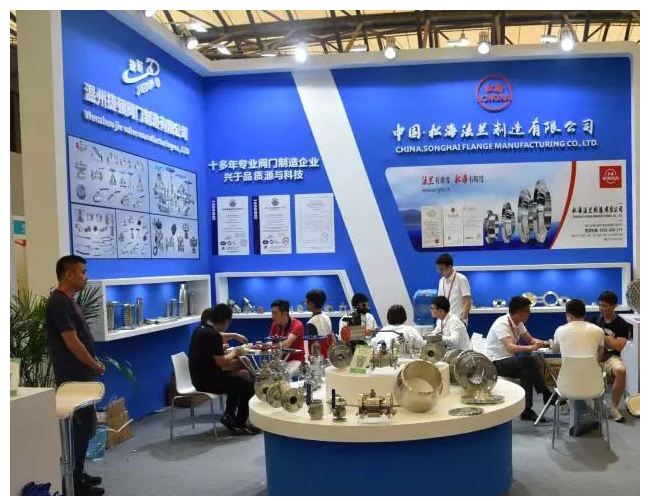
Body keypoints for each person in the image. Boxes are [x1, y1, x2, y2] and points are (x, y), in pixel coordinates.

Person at [45, 255, 105, 495]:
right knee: (80, 427)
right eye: (82, 272)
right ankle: (73, 481)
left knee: (85, 426)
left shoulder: (69, 301)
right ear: (69, 274)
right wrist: (93, 364)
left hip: (81, 374)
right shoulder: (59, 303)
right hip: (72, 377)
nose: (86, 277)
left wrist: (92, 363)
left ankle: (77, 472)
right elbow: (71, 341)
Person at [188, 304, 260, 435]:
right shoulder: (212, 335)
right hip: (207, 381)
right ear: (226, 321)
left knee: (238, 379)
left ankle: (229, 415)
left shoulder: (200, 329)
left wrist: (234, 336)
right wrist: (235, 352)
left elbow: (218, 336)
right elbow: (222, 362)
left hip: (199, 377)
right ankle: (240, 423)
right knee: (248, 384)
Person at [484, 295, 554, 422]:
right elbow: (510, 347)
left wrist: (547, 344)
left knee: (527, 370)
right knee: (527, 361)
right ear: (518, 312)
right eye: (527, 311)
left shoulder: (518, 323)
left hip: (510, 362)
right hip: (496, 363)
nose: (529, 314)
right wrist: (531, 348)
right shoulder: (502, 323)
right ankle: (545, 393)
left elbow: (531, 340)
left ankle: (527, 410)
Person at [550, 299, 605, 435]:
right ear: (584, 314)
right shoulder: (598, 331)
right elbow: (600, 354)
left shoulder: (560, 330)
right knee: (586, 379)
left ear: (569, 315)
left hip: (567, 385)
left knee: (574, 381)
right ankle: (588, 417)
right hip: (594, 384)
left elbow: (555, 350)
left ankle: (582, 420)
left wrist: (551, 343)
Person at [588, 291, 629, 422]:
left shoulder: (621, 324)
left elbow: (619, 346)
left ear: (614, 306)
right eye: (600, 305)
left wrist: (602, 335)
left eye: (605, 306)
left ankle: (614, 408)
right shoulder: (594, 320)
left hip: (611, 358)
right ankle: (578, 406)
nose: (601, 308)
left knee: (621, 370)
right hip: (593, 357)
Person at [269, 299, 305, 376]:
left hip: (296, 361)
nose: (272, 316)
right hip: (280, 361)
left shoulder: (297, 324)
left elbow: (287, 343)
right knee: (265, 374)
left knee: (284, 374)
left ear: (285, 313)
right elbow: (271, 342)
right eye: (272, 313)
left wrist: (273, 346)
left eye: (275, 313)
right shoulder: (275, 325)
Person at [435, 253, 472, 325]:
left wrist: (463, 319)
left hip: (457, 321)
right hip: (443, 321)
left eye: (442, 269)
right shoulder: (441, 281)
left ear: (450, 267)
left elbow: (467, 301)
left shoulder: (461, 279)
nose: (439, 272)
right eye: (438, 269)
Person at [305, 289, 335, 356]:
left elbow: (314, 345)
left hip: (318, 357)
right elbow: (332, 338)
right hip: (329, 354)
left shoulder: (311, 322)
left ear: (311, 303)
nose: (305, 303)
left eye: (307, 301)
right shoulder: (327, 317)